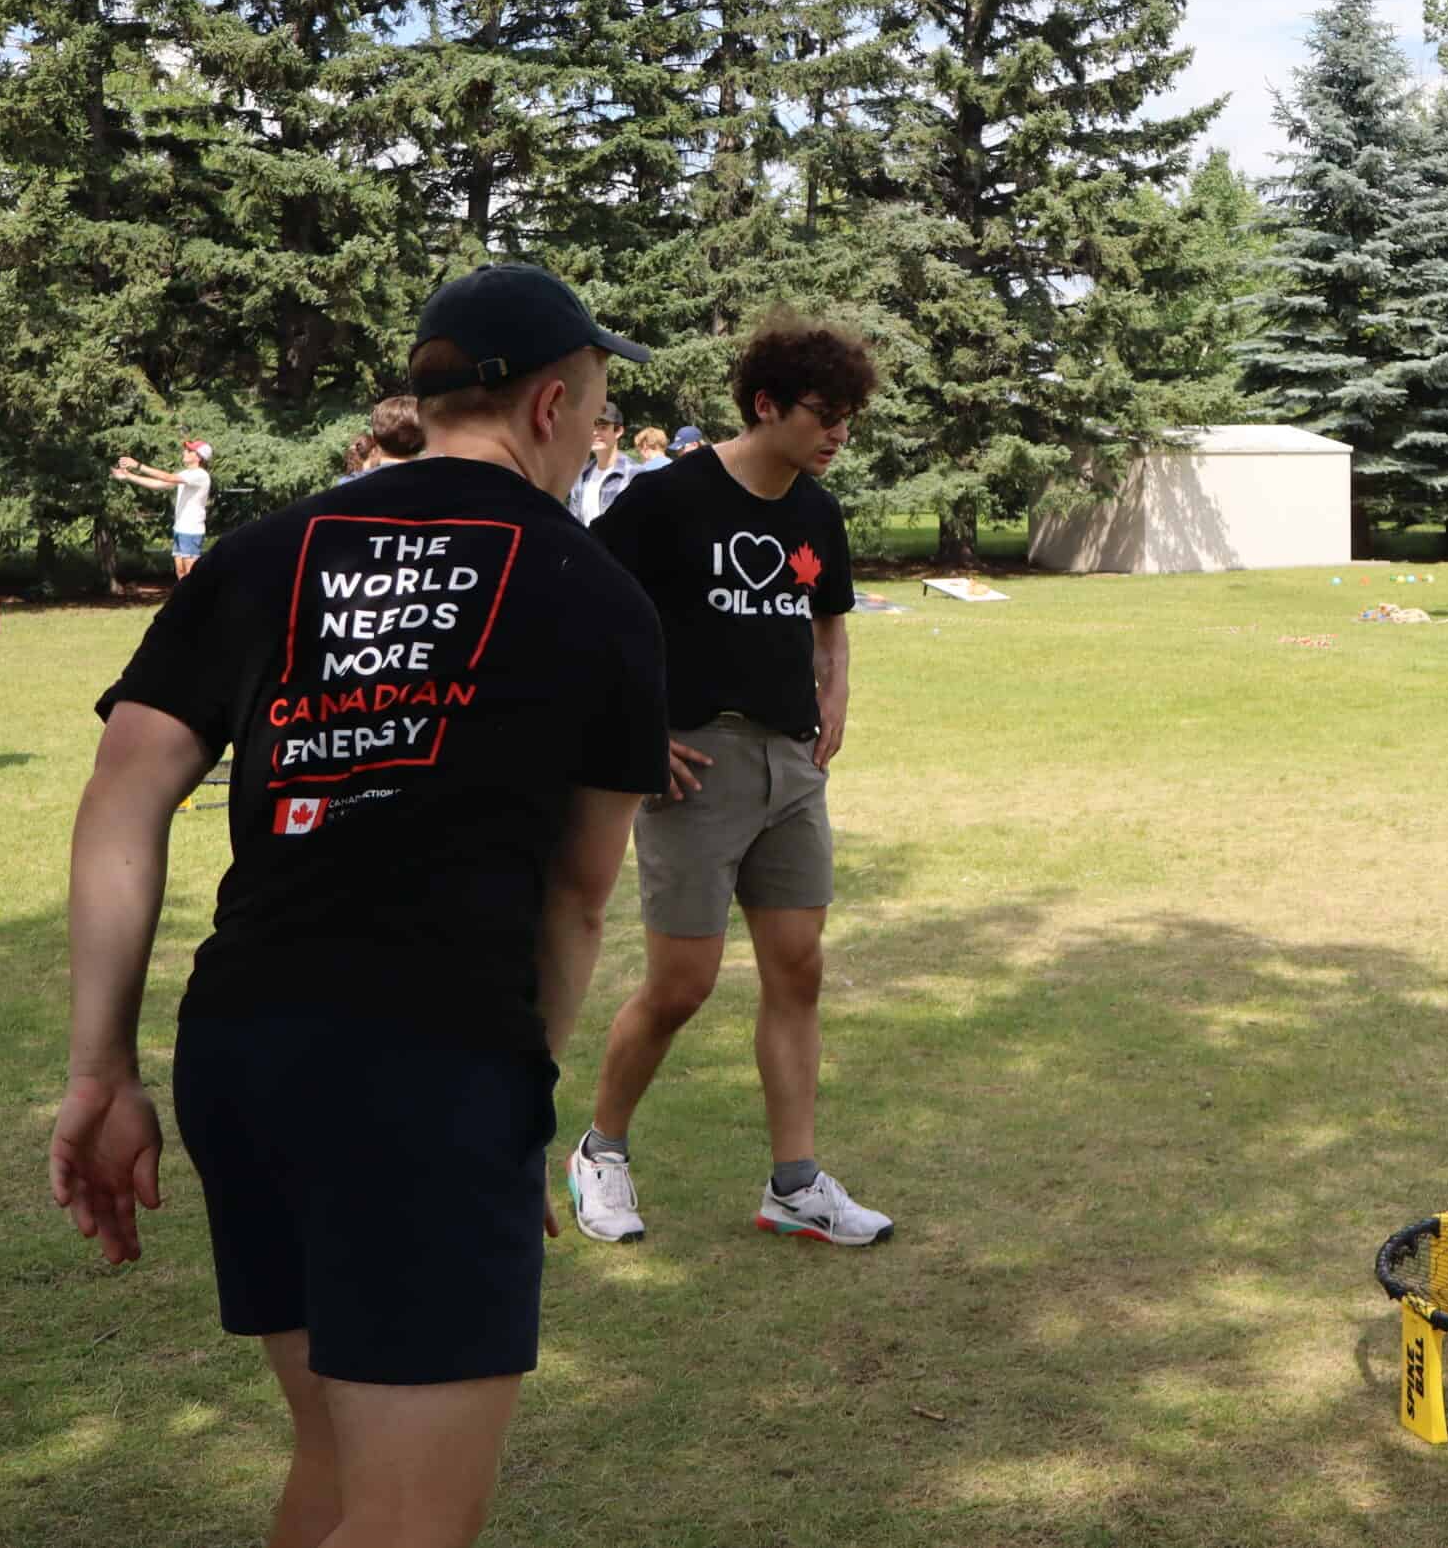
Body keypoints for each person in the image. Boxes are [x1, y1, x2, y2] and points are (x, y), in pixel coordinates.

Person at [50, 265, 670, 1548]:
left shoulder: (263, 553)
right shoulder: (596, 589)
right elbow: (578, 891)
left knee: (338, 1467)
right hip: (430, 1063)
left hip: (249, 1048)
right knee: (412, 1519)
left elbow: (124, 792)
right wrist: (515, 1098)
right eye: (599, 402)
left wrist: (99, 1063)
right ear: (552, 403)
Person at [566, 316, 889, 1248]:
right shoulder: (669, 500)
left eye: (847, 420)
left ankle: (795, 1184)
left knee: (798, 970)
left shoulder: (815, 507)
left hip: (792, 767)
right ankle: (601, 1152)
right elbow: (588, 613)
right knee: (682, 985)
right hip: (693, 768)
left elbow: (830, 620)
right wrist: (638, 734)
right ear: (765, 405)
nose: (837, 436)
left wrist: (834, 695)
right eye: (823, 416)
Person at [113, 439, 217, 577]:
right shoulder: (187, 474)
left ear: (198, 457)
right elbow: (159, 484)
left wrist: (138, 465)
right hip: (180, 529)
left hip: (191, 532)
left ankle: (200, 599)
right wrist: (128, 476)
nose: (184, 452)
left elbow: (167, 477)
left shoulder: (200, 475)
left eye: (189, 450)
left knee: (192, 576)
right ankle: (184, 599)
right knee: (180, 573)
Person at [566, 398, 636, 526]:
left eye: (603, 427)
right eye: (591, 426)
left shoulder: (634, 475)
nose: (594, 432)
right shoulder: (581, 476)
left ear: (618, 431)